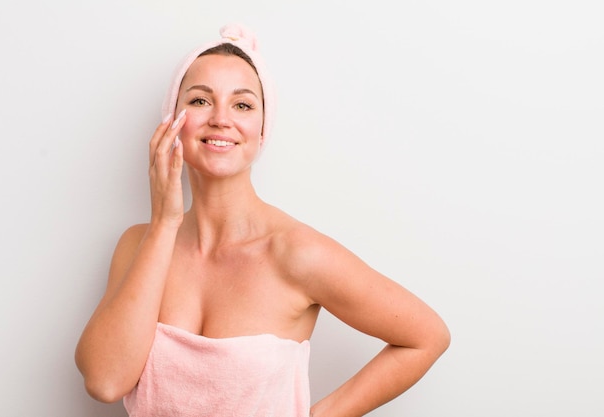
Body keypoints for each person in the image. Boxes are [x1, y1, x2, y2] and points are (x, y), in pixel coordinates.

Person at [75, 23, 450, 417]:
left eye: (242, 105)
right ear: (172, 120)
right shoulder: (139, 244)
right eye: (201, 101)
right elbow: (105, 381)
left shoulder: (296, 252)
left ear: (261, 128)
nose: (221, 119)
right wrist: (164, 224)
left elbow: (427, 336)